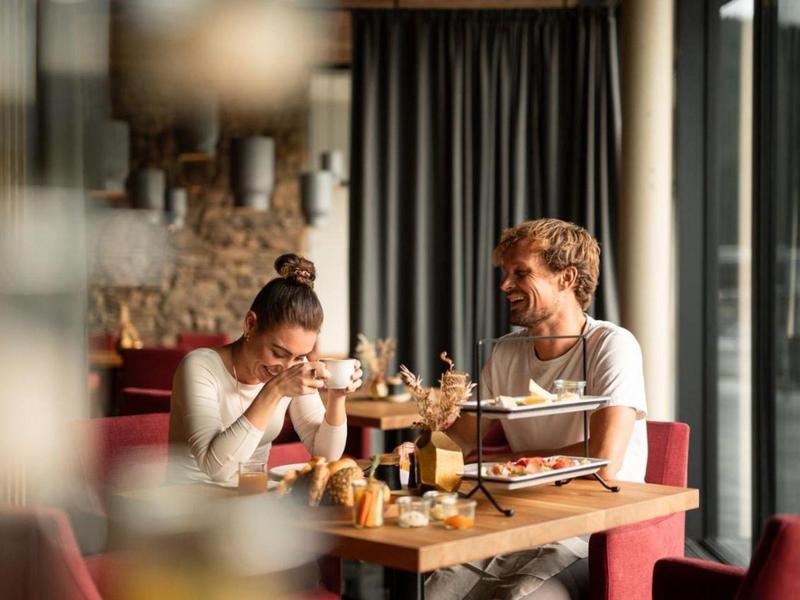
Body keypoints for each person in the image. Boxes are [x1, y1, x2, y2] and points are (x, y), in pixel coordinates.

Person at [423, 218, 648, 600]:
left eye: (521, 273)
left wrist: (512, 461)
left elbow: (604, 461)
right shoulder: (507, 351)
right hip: (519, 517)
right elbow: (460, 438)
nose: (504, 285)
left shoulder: (612, 345)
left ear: (567, 278)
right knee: (437, 590)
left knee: (518, 597)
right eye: (506, 273)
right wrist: (423, 450)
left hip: (593, 528)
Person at [167, 254, 362, 487]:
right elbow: (217, 469)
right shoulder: (200, 367)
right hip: (190, 505)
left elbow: (326, 455)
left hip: (253, 503)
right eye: (278, 353)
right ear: (250, 324)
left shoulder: (292, 369)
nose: (287, 368)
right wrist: (274, 391)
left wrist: (336, 396)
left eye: (299, 356)